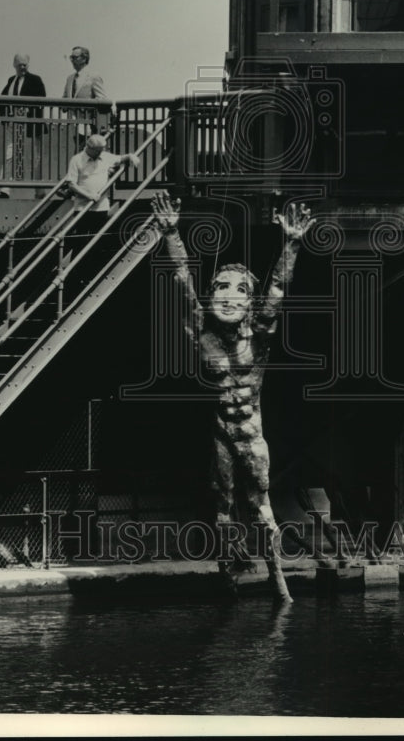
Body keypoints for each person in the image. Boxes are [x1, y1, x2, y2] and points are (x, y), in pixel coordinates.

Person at [150, 191, 316, 602]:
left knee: (262, 509)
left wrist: (292, 242)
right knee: (222, 507)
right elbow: (182, 279)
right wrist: (171, 233)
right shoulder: (202, 332)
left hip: (250, 432)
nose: (227, 295)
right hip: (222, 430)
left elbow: (278, 287)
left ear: (249, 302)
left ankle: (280, 584)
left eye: (239, 290)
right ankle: (228, 578)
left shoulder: (258, 338)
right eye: (220, 287)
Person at [62, 133, 140, 291]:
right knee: (81, 244)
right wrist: (89, 195)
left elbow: (120, 158)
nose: (101, 153)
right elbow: (71, 184)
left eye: (103, 150)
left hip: (101, 208)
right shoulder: (77, 160)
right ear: (89, 148)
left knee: (98, 243)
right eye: (98, 150)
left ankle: (92, 276)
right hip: (83, 209)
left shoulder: (105, 157)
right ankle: (76, 278)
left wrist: (131, 156)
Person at [0, 54, 47, 199]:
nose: (23, 67)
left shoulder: (35, 80)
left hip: (31, 127)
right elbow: (2, 99)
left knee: (34, 158)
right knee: (9, 155)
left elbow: (42, 98)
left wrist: (28, 111)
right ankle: (4, 190)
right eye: (20, 64)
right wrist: (5, 118)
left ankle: (39, 191)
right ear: (14, 65)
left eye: (25, 64)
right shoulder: (11, 80)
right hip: (13, 125)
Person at [62, 46, 112, 146]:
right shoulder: (70, 79)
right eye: (71, 58)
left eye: (75, 58)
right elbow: (64, 99)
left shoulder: (93, 76)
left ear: (84, 59)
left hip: (89, 126)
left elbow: (102, 99)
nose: (72, 60)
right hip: (73, 126)